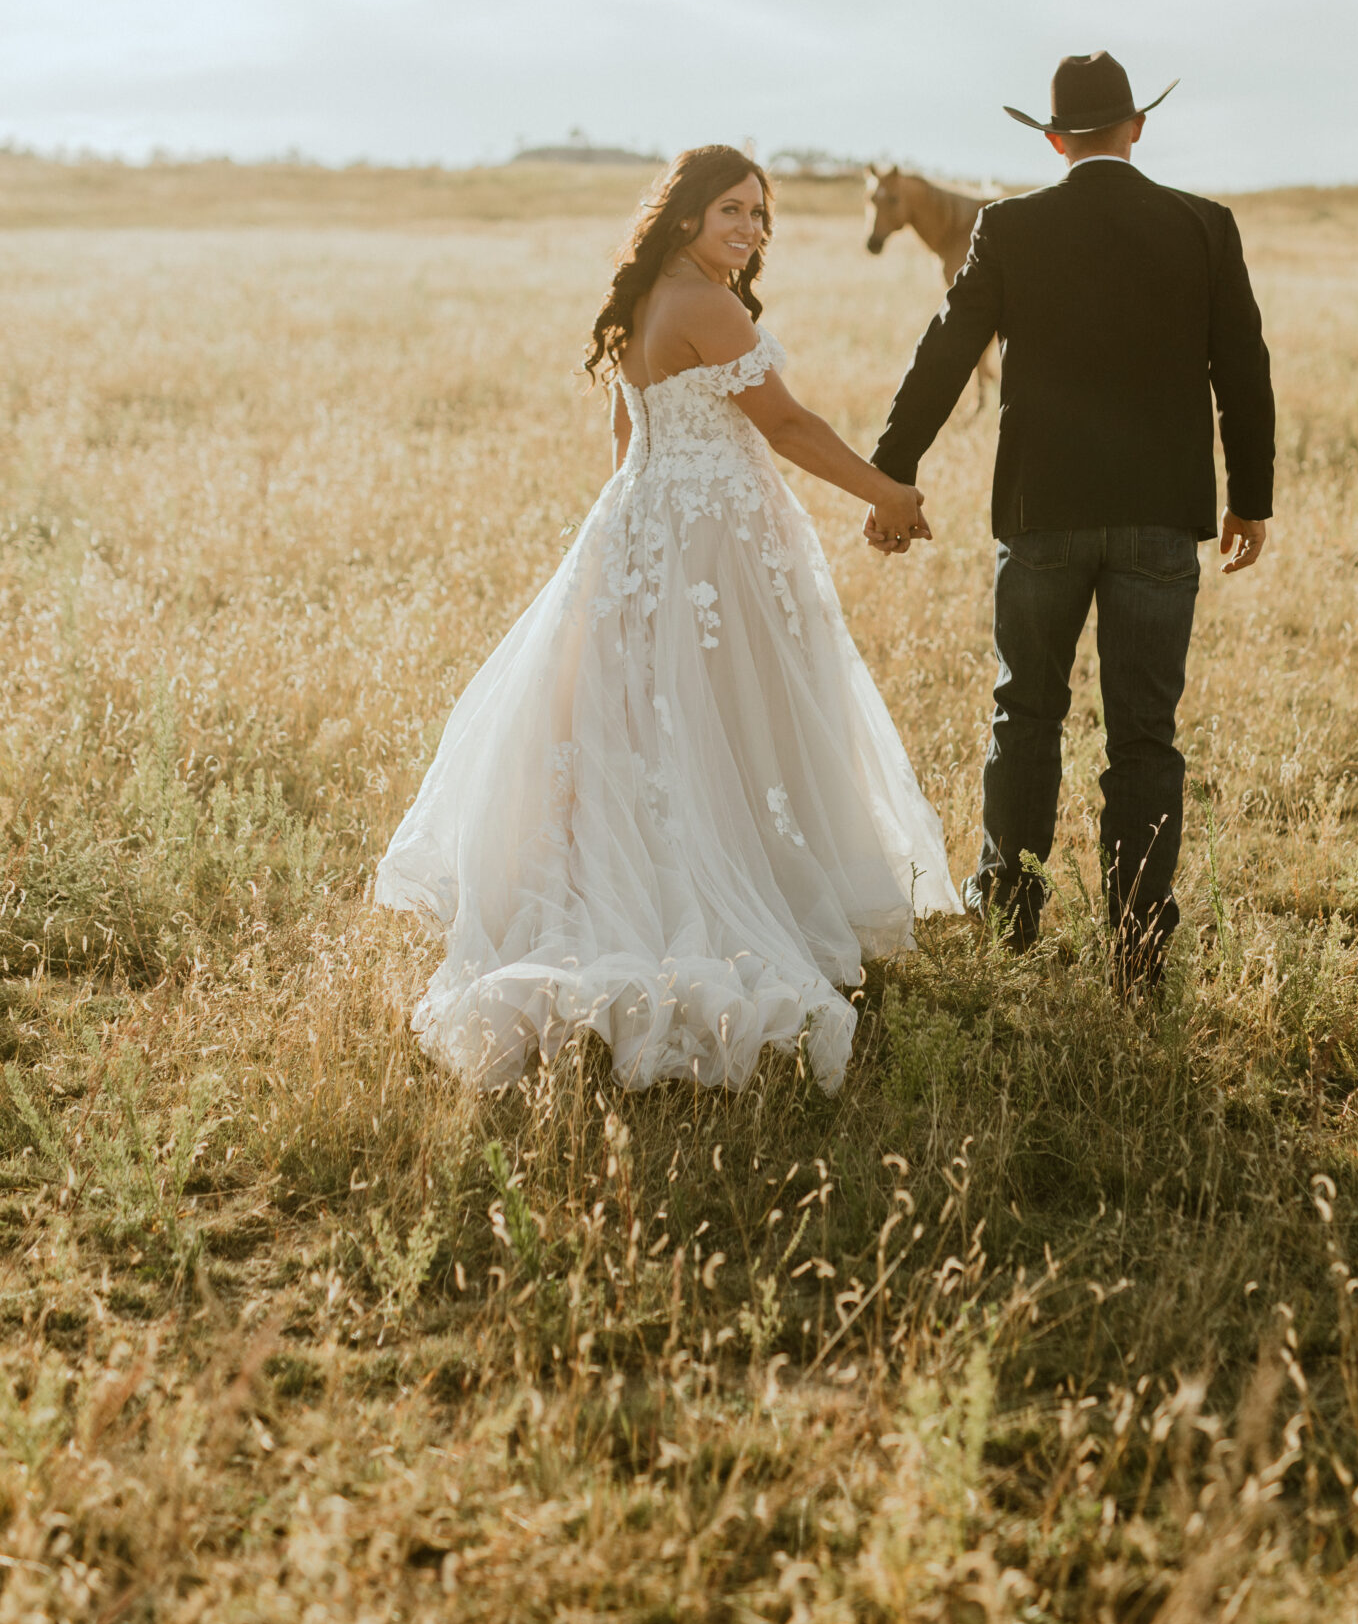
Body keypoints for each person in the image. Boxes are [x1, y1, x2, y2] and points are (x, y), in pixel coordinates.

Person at [376, 144, 953, 1093]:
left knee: (657, 719)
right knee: (730, 719)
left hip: (644, 528)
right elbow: (787, 426)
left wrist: (635, 549)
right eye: (732, 210)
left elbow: (623, 442)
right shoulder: (707, 304)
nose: (750, 229)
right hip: (709, 538)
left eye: (761, 216)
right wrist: (885, 491)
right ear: (685, 215)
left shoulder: (644, 302)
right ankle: (734, 897)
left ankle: (695, 871)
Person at [867, 51, 1274, 992]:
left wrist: (894, 471)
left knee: (1025, 716)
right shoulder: (1203, 226)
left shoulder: (1010, 226)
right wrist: (1248, 496)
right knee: (1144, 737)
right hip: (1160, 519)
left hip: (1041, 512)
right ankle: (1136, 949)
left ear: (1052, 141)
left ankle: (1008, 920)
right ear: (1136, 129)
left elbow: (945, 350)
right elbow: (1242, 371)